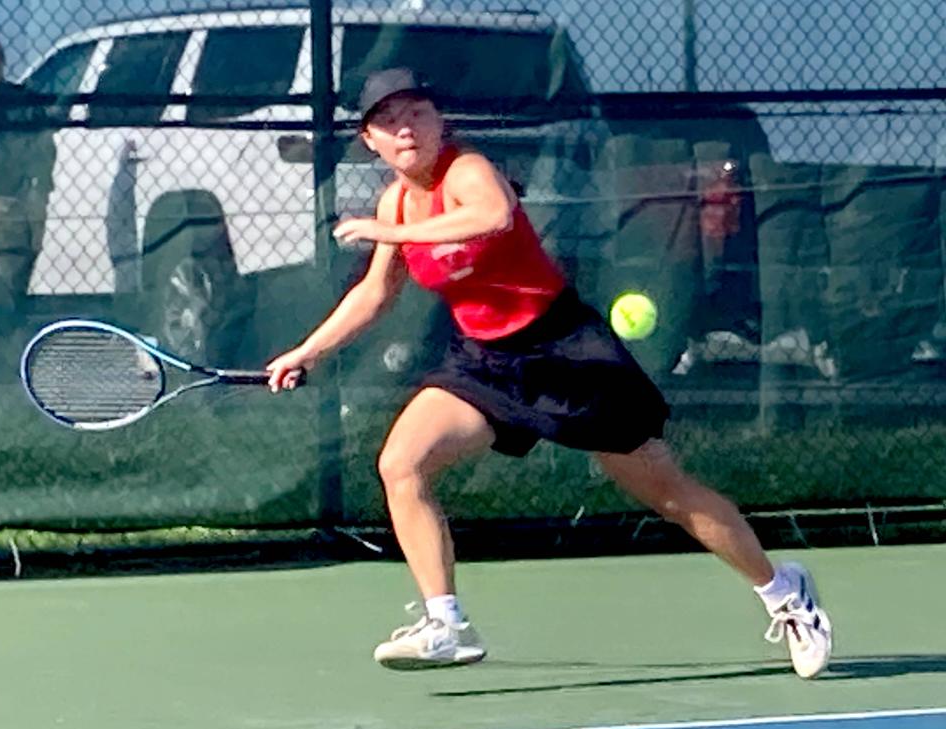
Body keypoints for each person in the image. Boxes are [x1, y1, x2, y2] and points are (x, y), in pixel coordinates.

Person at [266, 68, 833, 677]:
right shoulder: (396, 200)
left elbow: (493, 216)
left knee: (667, 492)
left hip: (565, 351)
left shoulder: (466, 171)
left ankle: (784, 592)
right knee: (401, 463)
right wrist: (308, 351)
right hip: (485, 361)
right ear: (369, 140)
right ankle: (445, 622)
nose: (406, 128)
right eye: (389, 121)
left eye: (418, 113)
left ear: (439, 123)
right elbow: (375, 294)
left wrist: (393, 232)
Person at [0, 33, 55, 367]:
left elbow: (43, 156)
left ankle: (8, 366)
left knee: (6, 289)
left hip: (6, 204)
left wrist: (35, 208)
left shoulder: (21, 102)